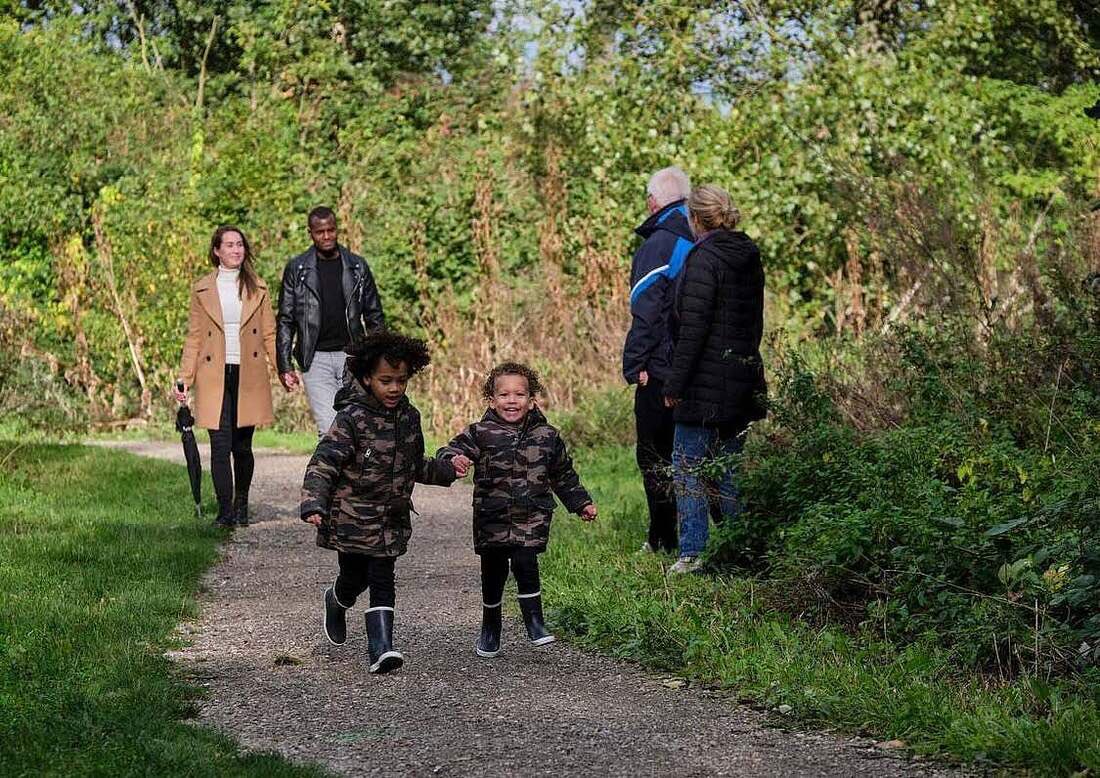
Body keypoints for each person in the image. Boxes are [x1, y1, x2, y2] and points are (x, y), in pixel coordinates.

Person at [300, 330, 458, 675]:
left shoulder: (408, 417)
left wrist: (446, 470)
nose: (394, 388)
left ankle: (381, 649)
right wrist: (314, 502)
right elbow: (324, 462)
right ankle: (337, 599)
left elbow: (414, 465)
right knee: (354, 577)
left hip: (390, 517)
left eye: (401, 381)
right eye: (386, 380)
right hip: (352, 518)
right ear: (367, 377)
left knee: (383, 576)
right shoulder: (351, 418)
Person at [438, 362, 598, 659]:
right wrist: (454, 460)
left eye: (519, 395)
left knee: (526, 562)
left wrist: (581, 503)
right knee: (493, 572)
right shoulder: (481, 432)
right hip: (492, 516)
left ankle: (535, 622)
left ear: (532, 399)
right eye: (504, 395)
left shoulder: (547, 435)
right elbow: (449, 450)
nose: (512, 401)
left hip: (531, 515)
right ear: (492, 399)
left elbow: (563, 474)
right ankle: (490, 627)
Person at [663, 185, 766, 575]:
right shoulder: (748, 255)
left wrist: (674, 384)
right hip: (742, 377)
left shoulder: (703, 258)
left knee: (687, 464)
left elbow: (694, 328)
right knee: (727, 468)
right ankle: (736, 547)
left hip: (704, 383)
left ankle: (693, 552)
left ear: (694, 218)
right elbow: (754, 322)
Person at [177, 226, 280, 527]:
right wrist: (184, 378)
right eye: (230, 245)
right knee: (220, 446)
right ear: (217, 251)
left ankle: (242, 504)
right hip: (213, 375)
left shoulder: (257, 287)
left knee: (242, 448)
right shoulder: (202, 289)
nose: (236, 250)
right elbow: (194, 337)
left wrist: (283, 369)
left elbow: (270, 334)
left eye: (240, 245)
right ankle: (225, 511)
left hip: (248, 373)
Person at [622, 166, 696, 555]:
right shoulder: (703, 235)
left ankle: (663, 540)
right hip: (703, 366)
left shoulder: (660, 243)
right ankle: (721, 537)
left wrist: (635, 366)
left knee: (655, 454)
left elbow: (647, 313)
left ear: (653, 202)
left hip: (663, 369)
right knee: (700, 454)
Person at [276, 206, 385, 436]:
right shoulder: (297, 270)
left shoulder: (357, 266)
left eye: (331, 230)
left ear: (337, 230)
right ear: (310, 233)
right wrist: (285, 365)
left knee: (357, 426)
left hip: (353, 356)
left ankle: (352, 473)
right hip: (315, 358)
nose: (326, 236)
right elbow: (286, 319)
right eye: (320, 232)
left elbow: (374, 314)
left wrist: (380, 355)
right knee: (329, 429)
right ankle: (327, 472)